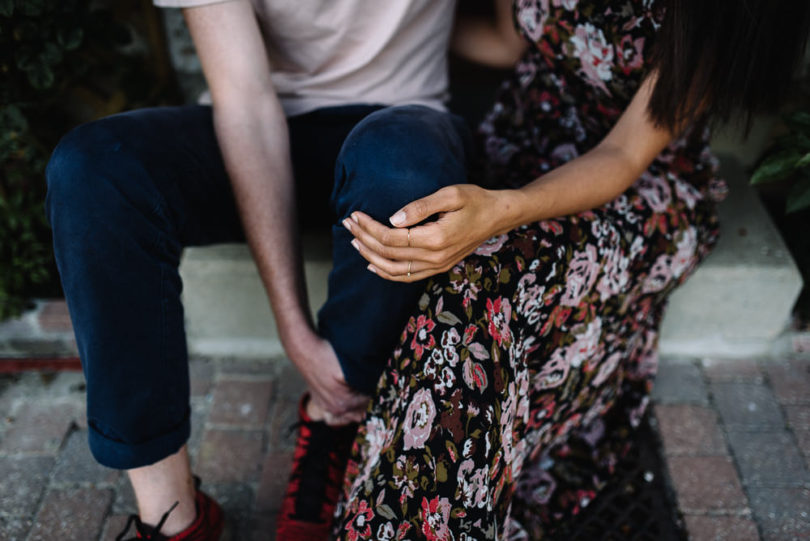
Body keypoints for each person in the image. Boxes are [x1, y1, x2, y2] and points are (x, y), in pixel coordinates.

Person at [334, 0, 810, 538]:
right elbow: (507, 40)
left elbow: (624, 156)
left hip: (637, 186)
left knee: (484, 273)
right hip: (520, 145)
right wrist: (369, 34)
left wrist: (499, 211)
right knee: (449, 257)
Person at [44, 0, 469, 539]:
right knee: (94, 170)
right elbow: (244, 104)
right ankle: (173, 517)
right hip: (259, 122)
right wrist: (293, 330)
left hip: (401, 123)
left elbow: (509, 36)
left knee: (404, 166)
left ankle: (334, 415)